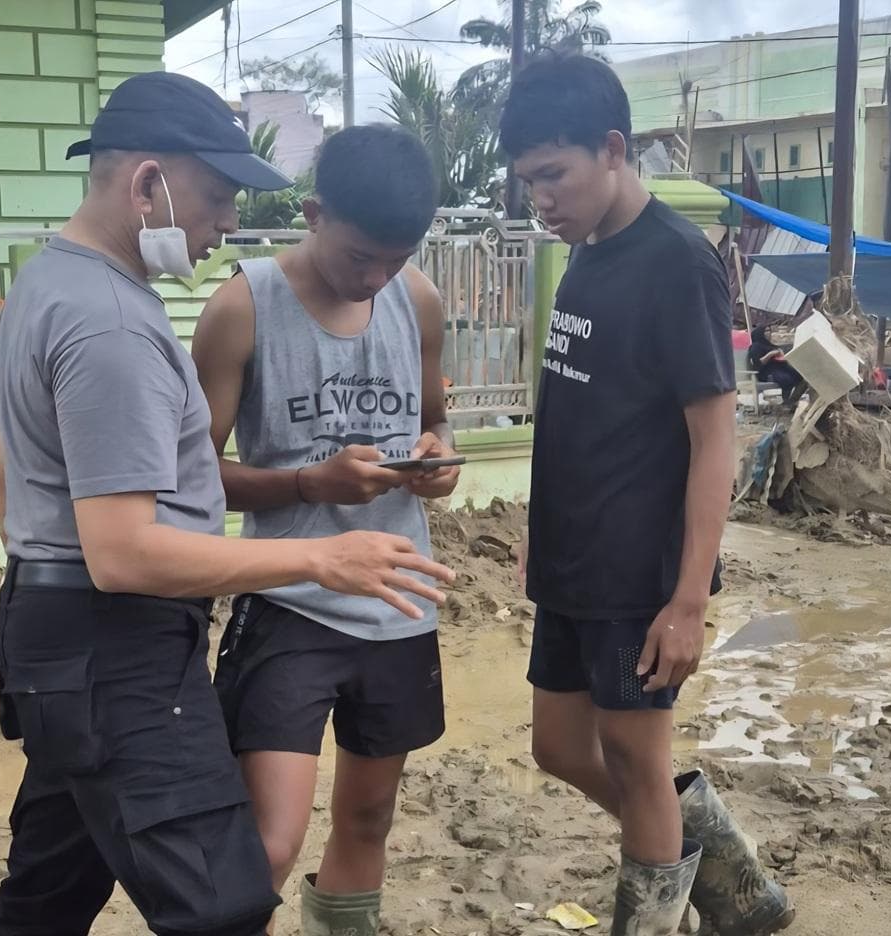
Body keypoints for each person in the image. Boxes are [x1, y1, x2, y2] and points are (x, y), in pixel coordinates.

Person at [0, 72, 453, 936]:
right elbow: (124, 553)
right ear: (148, 185)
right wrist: (318, 554)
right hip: (113, 645)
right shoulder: (113, 327)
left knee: (47, 895)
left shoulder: (48, 285)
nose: (227, 222)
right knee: (224, 904)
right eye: (217, 196)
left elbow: (5, 478)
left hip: (57, 633)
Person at [499, 54, 792, 936]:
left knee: (633, 755)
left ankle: (660, 912)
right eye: (527, 183)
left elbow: (715, 441)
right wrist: (538, 533)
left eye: (554, 175)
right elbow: (583, 414)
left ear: (614, 149)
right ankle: (724, 865)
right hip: (573, 561)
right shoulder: (586, 254)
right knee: (559, 746)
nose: (541, 199)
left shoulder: (678, 262)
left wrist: (689, 599)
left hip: (640, 573)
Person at [193, 124, 459, 936]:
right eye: (358, 258)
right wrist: (311, 481)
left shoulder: (415, 300)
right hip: (289, 603)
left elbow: (438, 425)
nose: (375, 277)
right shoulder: (243, 307)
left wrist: (438, 462)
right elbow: (191, 480)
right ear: (312, 213)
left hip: (397, 600)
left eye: (395, 257)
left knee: (369, 819)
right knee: (270, 838)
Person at [747, 325, 804, 405]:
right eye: (766, 331)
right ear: (760, 333)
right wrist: (770, 354)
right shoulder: (756, 346)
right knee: (786, 379)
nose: (769, 333)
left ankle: (792, 400)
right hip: (767, 372)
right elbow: (758, 364)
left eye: (769, 331)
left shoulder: (769, 345)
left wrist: (781, 354)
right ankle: (787, 402)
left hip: (780, 368)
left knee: (800, 376)